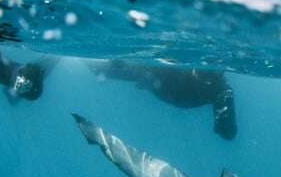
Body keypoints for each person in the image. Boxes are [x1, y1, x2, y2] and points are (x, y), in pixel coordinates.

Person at [91, 60, 237, 140]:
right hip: (157, 79)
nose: (208, 75)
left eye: (215, 73)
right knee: (101, 68)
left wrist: (225, 111)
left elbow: (228, 133)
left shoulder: (222, 90)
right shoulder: (220, 89)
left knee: (105, 69)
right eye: (204, 71)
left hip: (159, 84)